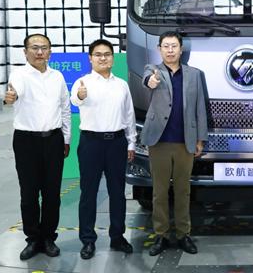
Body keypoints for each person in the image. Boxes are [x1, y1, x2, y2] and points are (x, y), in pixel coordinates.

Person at [4, 33, 71, 260]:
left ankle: (49, 237)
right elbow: (15, 91)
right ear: (25, 52)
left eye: (44, 47)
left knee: (52, 193)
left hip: (53, 140)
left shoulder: (57, 76)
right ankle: (33, 239)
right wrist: (11, 96)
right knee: (29, 193)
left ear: (50, 51)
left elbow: (65, 108)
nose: (40, 52)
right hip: (26, 141)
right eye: (34, 47)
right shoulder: (19, 75)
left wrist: (66, 139)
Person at [140, 31, 208, 256]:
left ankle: (183, 234)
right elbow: (147, 80)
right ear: (159, 49)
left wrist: (200, 139)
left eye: (174, 46)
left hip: (185, 142)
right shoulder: (153, 70)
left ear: (181, 49)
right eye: (166, 46)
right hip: (159, 142)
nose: (170, 50)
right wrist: (150, 81)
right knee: (159, 192)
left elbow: (200, 108)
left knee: (183, 191)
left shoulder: (195, 74)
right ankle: (161, 235)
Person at [70, 39, 137, 259]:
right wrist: (80, 96)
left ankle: (117, 237)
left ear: (112, 58)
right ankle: (88, 240)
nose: (103, 58)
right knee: (88, 193)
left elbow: (129, 115)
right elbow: (75, 100)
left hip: (117, 143)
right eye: (98, 54)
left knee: (117, 193)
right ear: (90, 58)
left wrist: (131, 141)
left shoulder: (122, 85)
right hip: (91, 143)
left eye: (107, 54)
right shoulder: (83, 82)